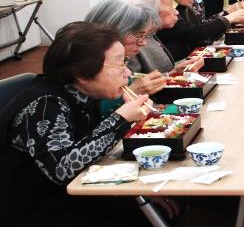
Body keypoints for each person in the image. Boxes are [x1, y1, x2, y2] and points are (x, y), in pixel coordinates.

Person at [0, 22, 156, 225]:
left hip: (76, 194)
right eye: (119, 65)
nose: (127, 73)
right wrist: (121, 119)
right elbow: (63, 169)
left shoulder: (83, 94)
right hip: (39, 209)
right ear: (82, 74)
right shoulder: (45, 104)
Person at [127, 0, 203, 75]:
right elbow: (137, 84)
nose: (176, 11)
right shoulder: (131, 42)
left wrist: (174, 72)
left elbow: (159, 76)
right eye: (170, 5)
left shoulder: (151, 35)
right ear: (151, 9)